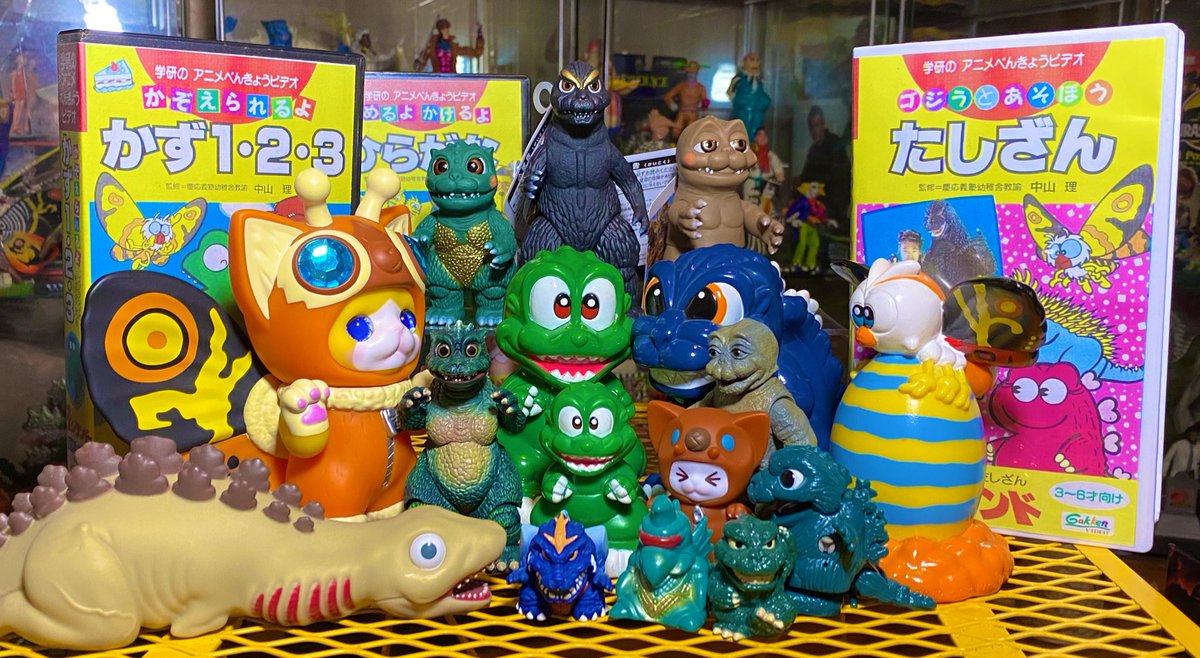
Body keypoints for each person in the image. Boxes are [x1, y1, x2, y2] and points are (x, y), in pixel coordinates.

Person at [798, 105, 850, 224]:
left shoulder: (835, 144)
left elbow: (842, 179)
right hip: (816, 208)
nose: (814, 130)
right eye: (811, 127)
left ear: (823, 124)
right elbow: (806, 178)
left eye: (817, 125)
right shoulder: (813, 150)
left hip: (834, 207)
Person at [414, 18, 483, 74]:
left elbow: (476, 52)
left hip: (451, 79)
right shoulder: (432, 48)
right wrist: (419, 61)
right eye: (444, 29)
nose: (446, 31)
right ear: (440, 31)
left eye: (447, 29)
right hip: (438, 79)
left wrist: (479, 36)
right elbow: (419, 66)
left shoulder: (454, 47)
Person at [664, 61, 707, 137]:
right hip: (682, 112)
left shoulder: (701, 88)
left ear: (697, 74)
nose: (691, 75)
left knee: (690, 134)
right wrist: (672, 104)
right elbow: (668, 96)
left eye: (693, 73)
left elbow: (705, 101)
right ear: (687, 73)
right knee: (675, 131)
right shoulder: (681, 86)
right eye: (689, 72)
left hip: (693, 114)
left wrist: (704, 107)